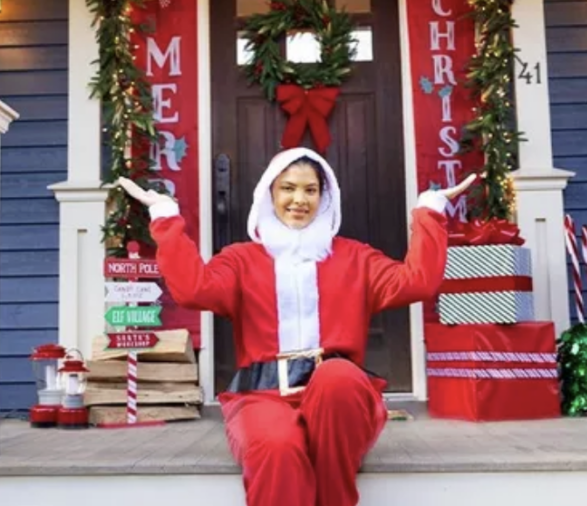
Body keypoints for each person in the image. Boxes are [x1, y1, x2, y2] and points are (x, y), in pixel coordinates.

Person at [118, 147, 475, 506]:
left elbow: (417, 282)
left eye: (310, 190)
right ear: (269, 194)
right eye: (287, 188)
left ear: (324, 197)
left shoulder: (355, 256)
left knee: (338, 376)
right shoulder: (242, 260)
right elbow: (192, 289)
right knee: (277, 448)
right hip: (263, 396)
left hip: (339, 401)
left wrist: (430, 211)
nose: (299, 200)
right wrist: (165, 217)